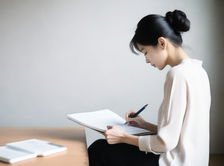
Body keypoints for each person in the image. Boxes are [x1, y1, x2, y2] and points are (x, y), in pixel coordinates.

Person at [88, 9, 211, 166]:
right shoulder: (198, 70)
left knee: (99, 149)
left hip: (172, 162)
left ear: (161, 43)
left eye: (145, 52)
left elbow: (165, 143)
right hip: (193, 161)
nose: (146, 60)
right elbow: (180, 133)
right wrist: (144, 124)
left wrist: (122, 137)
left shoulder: (177, 75)